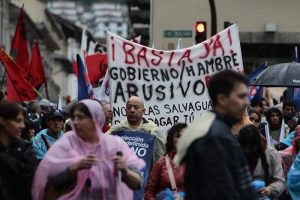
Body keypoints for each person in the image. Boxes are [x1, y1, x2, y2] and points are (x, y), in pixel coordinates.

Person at [32, 99, 145, 200]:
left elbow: (138, 183)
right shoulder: (67, 142)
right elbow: (52, 181)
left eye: (80, 117)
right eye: (74, 117)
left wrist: (125, 171)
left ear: (95, 119)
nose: (75, 122)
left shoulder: (114, 145)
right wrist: (75, 167)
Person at [174, 70, 256, 200]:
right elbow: (220, 193)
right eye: (241, 97)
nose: (247, 102)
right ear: (222, 99)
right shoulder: (215, 138)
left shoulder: (215, 130)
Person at [110, 96, 166, 163]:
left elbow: (161, 159)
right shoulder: (116, 130)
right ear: (125, 110)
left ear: (143, 111)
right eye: (129, 107)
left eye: (136, 107)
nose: (132, 110)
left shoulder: (153, 131)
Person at [0, 101, 37, 200]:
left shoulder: (26, 148)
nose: (23, 126)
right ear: (2, 120)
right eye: (18, 121)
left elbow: (27, 177)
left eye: (22, 121)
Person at [238, 125, 285, 199]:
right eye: (244, 146)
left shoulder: (271, 153)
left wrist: (270, 189)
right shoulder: (234, 153)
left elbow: (280, 182)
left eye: (250, 147)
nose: (247, 150)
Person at [144, 123, 187, 200]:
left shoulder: (197, 161)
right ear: (171, 140)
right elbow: (149, 191)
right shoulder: (161, 163)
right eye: (178, 136)